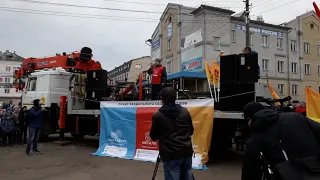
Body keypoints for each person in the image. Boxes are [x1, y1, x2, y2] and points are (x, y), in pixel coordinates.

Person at [241, 102, 320, 180]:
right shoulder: (296, 116)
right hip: (315, 170)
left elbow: (249, 171)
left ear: (249, 120)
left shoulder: (256, 137)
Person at [149, 87, 194, 180]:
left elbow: (153, 136)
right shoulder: (184, 111)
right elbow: (191, 130)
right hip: (186, 152)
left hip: (171, 155)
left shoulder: (158, 115)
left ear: (162, 99)